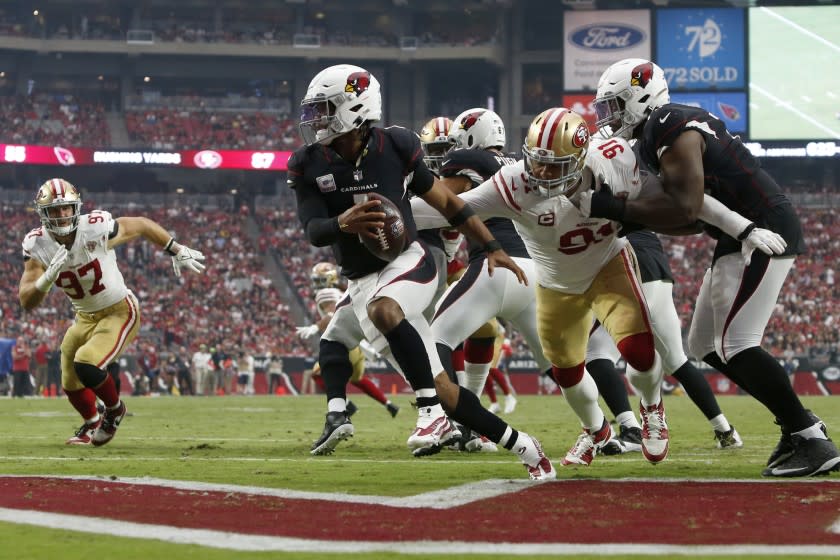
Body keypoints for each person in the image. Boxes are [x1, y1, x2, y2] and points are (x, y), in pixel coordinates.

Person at [290, 64, 553, 479]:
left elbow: (450, 204)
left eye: (324, 109)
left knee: (385, 310)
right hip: (361, 281)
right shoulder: (307, 163)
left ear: (355, 107)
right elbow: (313, 231)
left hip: (410, 261)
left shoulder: (395, 145)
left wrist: (492, 246)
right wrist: (344, 222)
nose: (315, 120)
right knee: (449, 390)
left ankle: (427, 409)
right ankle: (525, 446)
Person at [588, 58, 839, 476]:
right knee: (703, 344)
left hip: (763, 227)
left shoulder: (667, 122)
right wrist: (622, 216)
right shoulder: (657, 134)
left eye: (615, 106)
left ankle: (808, 436)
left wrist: (611, 208)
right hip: (739, 231)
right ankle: (799, 426)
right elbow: (687, 219)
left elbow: (686, 205)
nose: (610, 118)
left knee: (737, 343)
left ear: (641, 96)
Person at [413, 107, 669, 467]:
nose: (543, 173)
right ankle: (596, 431)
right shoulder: (515, 180)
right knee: (565, 372)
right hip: (552, 279)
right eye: (538, 162)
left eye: (556, 165)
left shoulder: (615, 162)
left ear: (580, 158)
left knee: (638, 350)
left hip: (606, 265)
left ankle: (651, 407)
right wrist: (394, 210)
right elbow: (452, 208)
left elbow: (672, 203)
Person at [18, 178, 205, 446]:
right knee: (69, 378)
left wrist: (175, 249)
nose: (62, 215)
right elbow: (26, 301)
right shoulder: (38, 245)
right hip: (84, 316)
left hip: (118, 311)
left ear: (76, 208)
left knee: (86, 361)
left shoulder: (94, 228)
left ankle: (115, 410)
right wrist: (45, 279)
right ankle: (92, 424)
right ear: (42, 214)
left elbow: (140, 224)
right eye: (54, 210)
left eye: (67, 208)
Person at [429, 107, 551, 450]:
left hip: (496, 265)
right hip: (538, 271)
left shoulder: (469, 160)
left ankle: (452, 423)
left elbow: (446, 207)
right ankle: (609, 426)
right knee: (556, 362)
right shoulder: (520, 164)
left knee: (432, 340)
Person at [586, 229, 742, 454]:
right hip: (656, 266)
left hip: (624, 262)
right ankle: (725, 431)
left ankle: (632, 429)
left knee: (597, 354)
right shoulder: (640, 202)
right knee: (677, 361)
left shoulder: (599, 201)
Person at [296, 261, 399, 418]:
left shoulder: (325, 294)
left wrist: (316, 327)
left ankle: (346, 406)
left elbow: (332, 315)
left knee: (318, 374)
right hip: (357, 344)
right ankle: (389, 405)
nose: (317, 283)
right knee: (358, 379)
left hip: (344, 344)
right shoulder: (342, 291)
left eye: (320, 279)